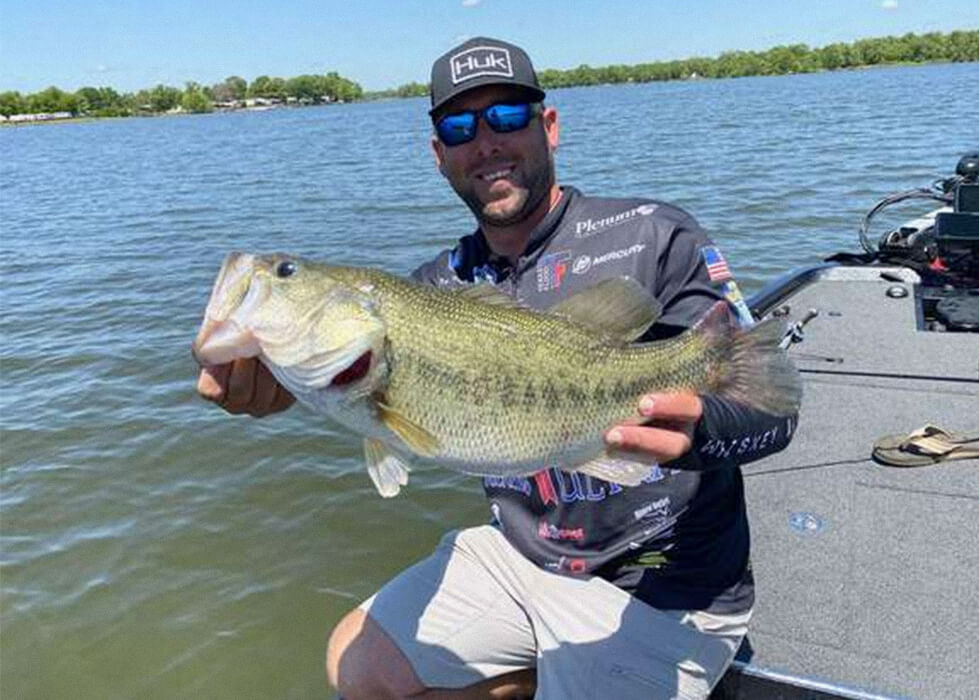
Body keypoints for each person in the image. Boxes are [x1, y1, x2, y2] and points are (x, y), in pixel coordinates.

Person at [197, 37, 798, 700]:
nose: (485, 141)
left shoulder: (655, 235)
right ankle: (540, 674)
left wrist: (699, 432)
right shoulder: (431, 289)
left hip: (669, 588)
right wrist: (272, 387)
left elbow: (773, 413)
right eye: (459, 127)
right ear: (439, 155)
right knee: (356, 665)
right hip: (524, 557)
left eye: (506, 116)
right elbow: (359, 390)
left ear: (549, 126)